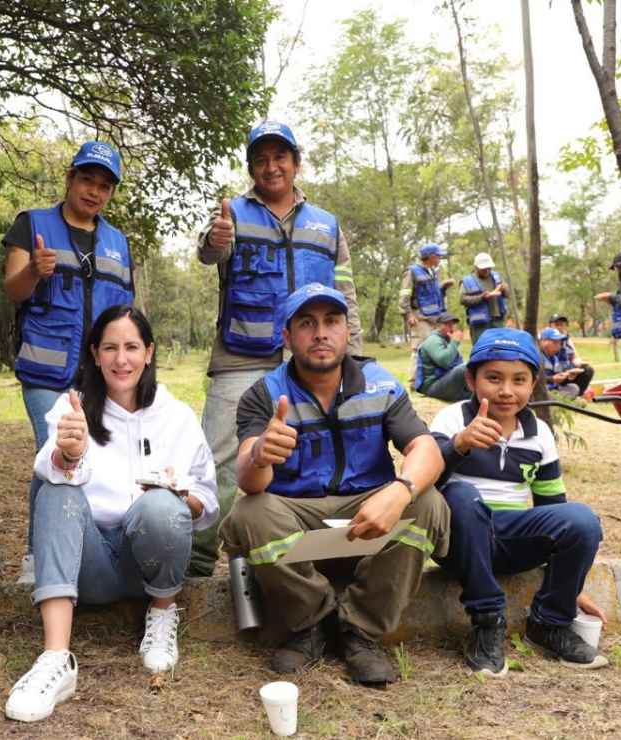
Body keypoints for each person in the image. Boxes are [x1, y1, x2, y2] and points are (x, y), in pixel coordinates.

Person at [218, 283, 449, 685]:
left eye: (331, 321)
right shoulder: (264, 394)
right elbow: (248, 481)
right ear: (287, 338)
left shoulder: (380, 383)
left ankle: (360, 632)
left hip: (366, 515)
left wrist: (399, 491)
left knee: (427, 503)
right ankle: (312, 625)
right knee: (250, 512)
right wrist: (260, 455)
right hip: (296, 517)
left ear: (346, 331)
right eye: (306, 324)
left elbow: (427, 449)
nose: (320, 333)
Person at [5, 306, 218, 723]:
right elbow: (46, 469)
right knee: (54, 490)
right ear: (95, 354)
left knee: (160, 505)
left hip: (150, 564)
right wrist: (70, 453)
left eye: (132, 347)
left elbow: (207, 503)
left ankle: (161, 616)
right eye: (110, 348)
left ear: (149, 352)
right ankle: (55, 659)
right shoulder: (73, 409)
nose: (122, 360)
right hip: (90, 565)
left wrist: (179, 497)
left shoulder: (176, 417)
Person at [192, 120, 361, 578]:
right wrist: (215, 239)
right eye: (261, 159)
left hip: (310, 355)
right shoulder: (233, 214)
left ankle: (302, 556)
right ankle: (199, 560)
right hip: (241, 352)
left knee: (312, 452)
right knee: (220, 456)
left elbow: (344, 293)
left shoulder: (326, 224)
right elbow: (210, 252)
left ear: (296, 163)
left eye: (280, 157)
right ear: (251, 168)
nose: (271, 167)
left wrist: (355, 354)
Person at [430, 328, 608, 676]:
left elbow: (551, 507)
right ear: (471, 379)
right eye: (493, 378)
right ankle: (487, 621)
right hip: (460, 540)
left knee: (582, 520)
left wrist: (570, 584)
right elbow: (426, 481)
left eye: (519, 380)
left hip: (511, 539)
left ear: (533, 382)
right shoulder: (452, 419)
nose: (506, 391)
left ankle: (550, 623)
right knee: (462, 496)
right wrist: (460, 444)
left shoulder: (539, 432)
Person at [2, 140, 133, 584]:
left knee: (87, 457)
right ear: (70, 178)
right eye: (87, 180)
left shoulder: (117, 242)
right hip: (46, 373)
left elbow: (125, 313)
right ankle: (38, 558)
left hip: (99, 376)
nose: (94, 191)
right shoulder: (33, 224)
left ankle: (77, 547)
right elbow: (13, 289)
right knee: (53, 452)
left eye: (104, 186)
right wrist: (34, 271)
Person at [400, 242, 454, 351]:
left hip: (434, 317)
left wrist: (443, 287)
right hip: (419, 317)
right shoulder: (412, 272)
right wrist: (409, 315)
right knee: (422, 350)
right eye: (439, 256)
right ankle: (415, 369)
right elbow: (404, 295)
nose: (440, 258)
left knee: (436, 350)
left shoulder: (432, 272)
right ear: (431, 257)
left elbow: (433, 295)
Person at [414, 312, 472, 402]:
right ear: (439, 326)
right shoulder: (433, 340)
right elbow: (444, 361)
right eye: (448, 324)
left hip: (443, 381)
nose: (452, 327)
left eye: (453, 324)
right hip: (432, 386)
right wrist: (455, 342)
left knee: (474, 367)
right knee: (464, 368)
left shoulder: (446, 339)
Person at [460, 252, 509, 343]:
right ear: (476, 267)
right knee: (481, 346)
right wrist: (481, 297)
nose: (487, 271)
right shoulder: (467, 281)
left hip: (498, 319)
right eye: (483, 269)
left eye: (489, 268)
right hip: (479, 322)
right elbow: (463, 300)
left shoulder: (497, 277)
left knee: (500, 346)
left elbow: (507, 295)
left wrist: (505, 289)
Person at [549, 314, 596, 400]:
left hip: (566, 371)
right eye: (557, 324)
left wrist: (577, 363)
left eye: (562, 325)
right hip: (554, 374)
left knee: (588, 370)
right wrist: (570, 369)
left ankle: (576, 396)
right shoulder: (547, 340)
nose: (559, 327)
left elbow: (574, 356)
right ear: (550, 326)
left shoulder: (567, 339)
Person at [539, 327, 593, 399]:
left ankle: (560, 402)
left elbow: (559, 378)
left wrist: (568, 376)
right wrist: (552, 379)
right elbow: (533, 380)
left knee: (574, 388)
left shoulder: (554, 358)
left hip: (555, 390)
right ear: (543, 342)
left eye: (560, 343)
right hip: (541, 391)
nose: (558, 346)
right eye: (555, 342)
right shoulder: (536, 357)